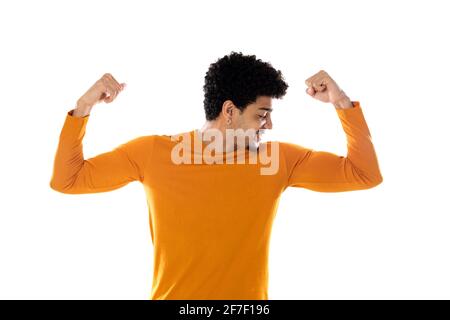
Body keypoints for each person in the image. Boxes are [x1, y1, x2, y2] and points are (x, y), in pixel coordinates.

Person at [50, 51, 383, 300]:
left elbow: (363, 174)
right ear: (228, 111)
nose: (268, 126)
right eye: (262, 115)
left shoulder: (277, 159)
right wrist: (83, 108)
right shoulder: (153, 153)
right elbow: (69, 180)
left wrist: (340, 102)